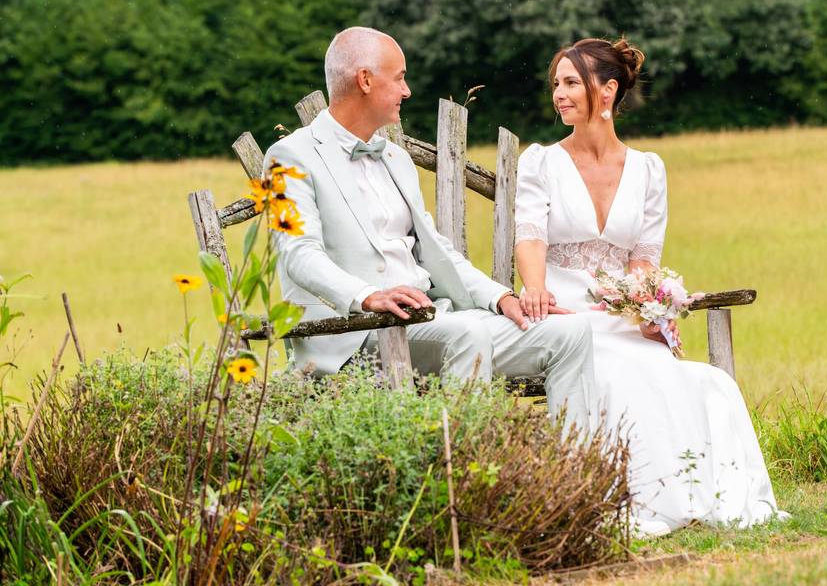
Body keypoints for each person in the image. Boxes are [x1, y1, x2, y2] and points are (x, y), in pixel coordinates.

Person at [514, 37, 786, 535]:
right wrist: (535, 291)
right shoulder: (540, 162)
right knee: (620, 374)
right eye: (556, 83)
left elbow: (643, 260)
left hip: (621, 317)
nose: (559, 93)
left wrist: (646, 309)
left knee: (706, 381)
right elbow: (530, 239)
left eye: (571, 82)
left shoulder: (647, 170)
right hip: (563, 315)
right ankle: (628, 499)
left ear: (608, 89)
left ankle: (702, 495)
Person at [264, 26, 596, 431]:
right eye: (400, 77)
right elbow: (298, 254)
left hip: (437, 319)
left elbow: (434, 249)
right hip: (355, 334)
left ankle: (575, 478)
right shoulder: (288, 156)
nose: (408, 91)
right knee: (466, 335)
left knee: (571, 332)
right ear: (365, 80)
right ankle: (463, 481)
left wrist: (500, 298)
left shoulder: (395, 158)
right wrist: (367, 296)